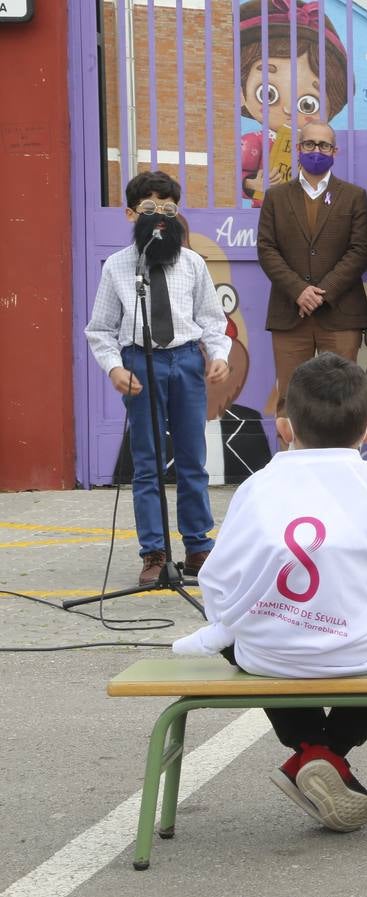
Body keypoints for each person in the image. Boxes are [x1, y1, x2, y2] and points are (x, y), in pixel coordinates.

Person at [172, 353, 367, 833]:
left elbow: (219, 578)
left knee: (250, 638)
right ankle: (328, 755)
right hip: (357, 651)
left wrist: (242, 617)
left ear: (284, 429)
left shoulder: (258, 486)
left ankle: (309, 751)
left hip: (271, 655)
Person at [85, 171, 231, 586]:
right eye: (149, 209)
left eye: (168, 208)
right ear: (131, 214)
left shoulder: (194, 264)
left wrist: (218, 355)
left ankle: (199, 547)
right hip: (140, 364)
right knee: (147, 464)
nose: (159, 217)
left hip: (185, 362)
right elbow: (100, 329)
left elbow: (211, 319)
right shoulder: (117, 266)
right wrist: (115, 367)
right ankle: (154, 552)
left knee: (192, 460)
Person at [257, 120, 367, 451]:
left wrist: (322, 292)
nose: (316, 151)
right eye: (309, 145)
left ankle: (344, 471)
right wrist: (299, 290)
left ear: (335, 152)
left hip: (340, 313)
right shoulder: (276, 197)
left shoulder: (354, 197)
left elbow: (360, 250)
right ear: (298, 150)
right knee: (289, 399)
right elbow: (266, 249)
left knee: (346, 398)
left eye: (324, 146)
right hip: (289, 312)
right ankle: (287, 473)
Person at [236, 0, 350, 206]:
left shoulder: (317, 145)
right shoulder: (254, 141)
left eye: (308, 104)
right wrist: (252, 185)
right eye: (268, 93)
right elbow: (233, 176)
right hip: (265, 214)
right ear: (241, 92)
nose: (289, 109)